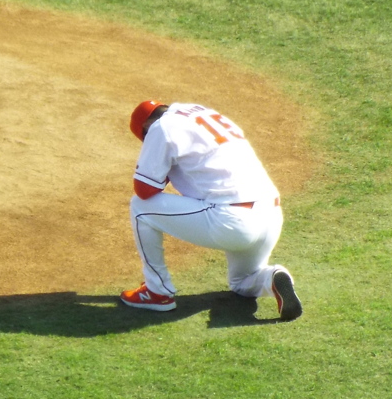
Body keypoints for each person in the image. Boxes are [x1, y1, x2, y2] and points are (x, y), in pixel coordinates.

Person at [120, 100, 303, 321]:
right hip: (271, 215)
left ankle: (157, 292)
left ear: (146, 128)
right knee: (242, 283)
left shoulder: (161, 127)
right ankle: (274, 276)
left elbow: (144, 189)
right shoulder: (202, 114)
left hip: (232, 220)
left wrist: (162, 166)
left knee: (140, 207)